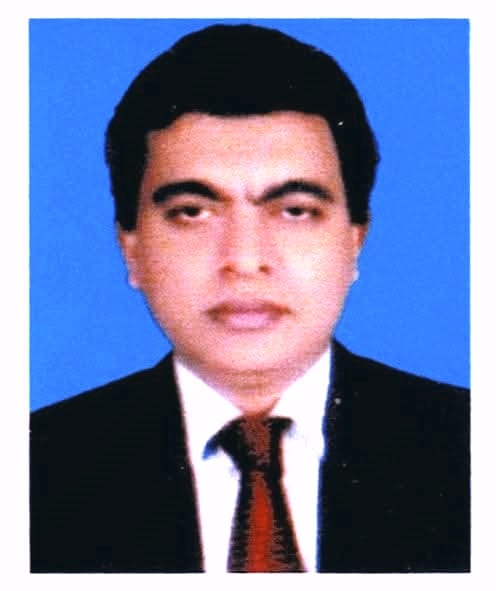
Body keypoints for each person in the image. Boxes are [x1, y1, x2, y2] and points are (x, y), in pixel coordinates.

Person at [30, 23, 470, 573]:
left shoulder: (472, 446)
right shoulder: (30, 468)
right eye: (192, 211)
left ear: (355, 240)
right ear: (131, 249)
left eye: (295, 211)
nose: (243, 259)